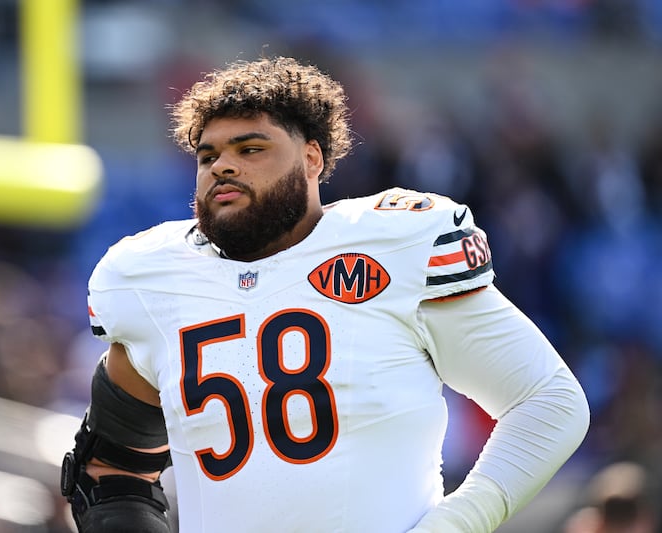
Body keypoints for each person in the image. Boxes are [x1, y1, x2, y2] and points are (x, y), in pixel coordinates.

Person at [60, 56, 590, 532]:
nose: (222, 165)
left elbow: (550, 399)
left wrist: (459, 521)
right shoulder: (150, 277)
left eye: (250, 148)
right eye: (208, 155)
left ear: (312, 159)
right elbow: (112, 472)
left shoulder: (394, 244)